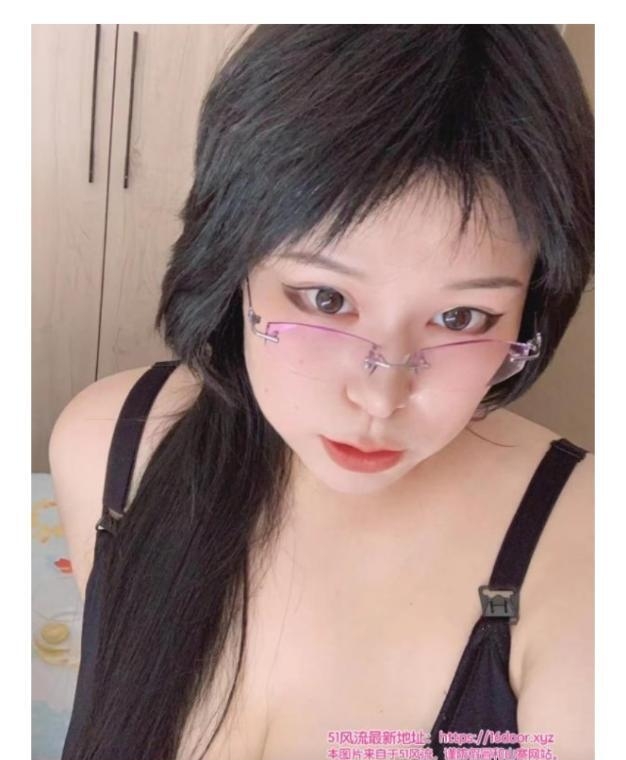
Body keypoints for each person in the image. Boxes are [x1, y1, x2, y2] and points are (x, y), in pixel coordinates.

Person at [49, 24, 594, 760]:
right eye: (327, 299)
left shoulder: (587, 544)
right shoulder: (110, 449)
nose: (381, 397)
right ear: (235, 264)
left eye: (463, 317)